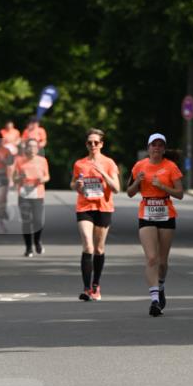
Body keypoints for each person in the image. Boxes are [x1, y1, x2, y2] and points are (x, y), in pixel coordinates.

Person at [126, 133, 183, 316]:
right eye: (153, 145)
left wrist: (162, 187)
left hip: (166, 213)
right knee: (152, 258)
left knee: (163, 262)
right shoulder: (139, 166)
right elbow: (129, 192)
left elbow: (180, 193)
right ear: (148, 148)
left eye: (160, 145)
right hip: (146, 212)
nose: (156, 148)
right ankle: (154, 300)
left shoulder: (170, 167)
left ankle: (161, 285)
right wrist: (138, 181)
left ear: (164, 149)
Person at [70, 129, 120, 300]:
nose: (93, 145)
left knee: (99, 248)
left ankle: (95, 285)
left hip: (104, 207)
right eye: (90, 143)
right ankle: (85, 289)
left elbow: (117, 188)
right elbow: (74, 185)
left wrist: (103, 173)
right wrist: (77, 184)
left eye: (96, 142)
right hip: (84, 206)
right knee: (88, 246)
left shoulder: (109, 163)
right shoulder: (80, 164)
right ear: (86, 145)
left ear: (101, 144)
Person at [12, 137, 50, 256]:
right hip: (24, 194)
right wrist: (20, 178)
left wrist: (42, 179)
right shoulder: (19, 161)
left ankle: (37, 241)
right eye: (30, 146)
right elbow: (14, 178)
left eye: (34, 146)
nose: (32, 148)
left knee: (38, 221)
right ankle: (28, 248)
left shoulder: (42, 160)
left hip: (37, 194)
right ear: (26, 148)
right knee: (26, 221)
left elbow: (47, 176)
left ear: (37, 148)